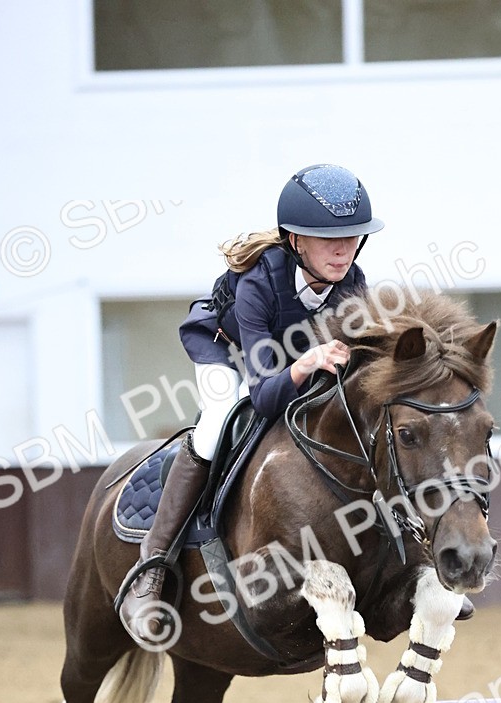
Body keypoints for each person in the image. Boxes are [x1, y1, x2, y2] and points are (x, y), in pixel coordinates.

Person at [116, 163, 384, 646]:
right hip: (226, 348)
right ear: (295, 241)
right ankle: (151, 565)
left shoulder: (352, 283)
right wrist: (307, 363)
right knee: (219, 419)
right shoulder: (259, 281)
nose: (343, 250)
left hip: (289, 357)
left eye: (351, 237)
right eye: (328, 239)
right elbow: (262, 396)